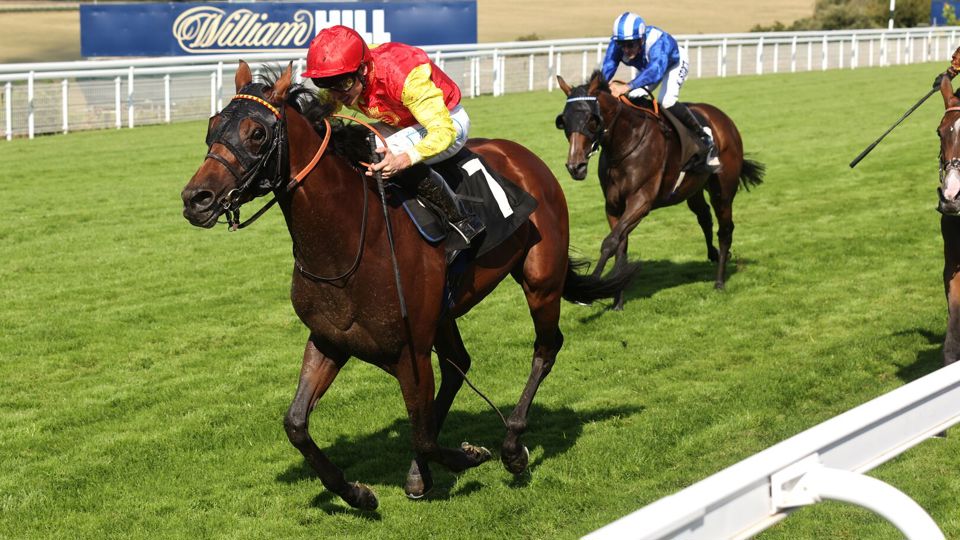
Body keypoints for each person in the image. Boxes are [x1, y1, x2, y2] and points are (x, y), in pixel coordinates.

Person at [301, 25, 484, 244]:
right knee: (354, 144)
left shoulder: (404, 75)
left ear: (364, 70)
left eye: (343, 85)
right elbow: (323, 108)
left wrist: (404, 159)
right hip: (401, 122)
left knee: (386, 156)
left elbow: (443, 131)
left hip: (448, 123)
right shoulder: (343, 74)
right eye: (325, 85)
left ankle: (461, 220)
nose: (337, 95)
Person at [601, 12, 719, 170]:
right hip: (648, 67)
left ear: (641, 39)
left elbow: (656, 71)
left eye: (631, 44)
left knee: (666, 100)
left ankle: (704, 136)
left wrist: (626, 86)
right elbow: (608, 67)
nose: (626, 49)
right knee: (634, 96)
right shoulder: (617, 44)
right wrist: (599, 87)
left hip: (672, 64)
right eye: (622, 44)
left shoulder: (657, 42)